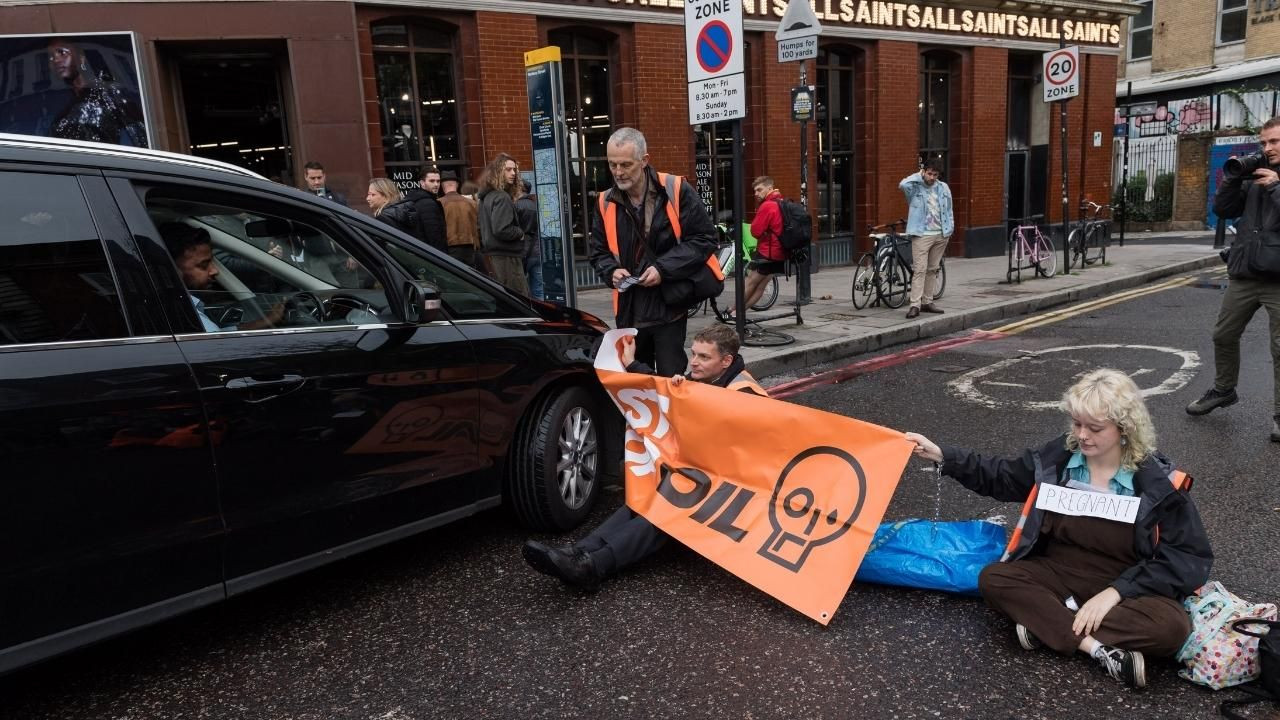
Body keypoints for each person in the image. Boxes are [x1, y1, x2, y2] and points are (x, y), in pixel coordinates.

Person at [904, 369, 1212, 689]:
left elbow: (1188, 557)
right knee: (994, 579)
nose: (1082, 436)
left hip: (1126, 584)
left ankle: (1045, 623)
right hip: (1057, 573)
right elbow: (1002, 476)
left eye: (1095, 428)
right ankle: (1095, 648)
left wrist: (1115, 592)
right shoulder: (1059, 459)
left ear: (1125, 429)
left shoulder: (1158, 484)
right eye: (1077, 423)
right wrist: (943, 455)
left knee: (1172, 628)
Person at [522, 324, 766, 589]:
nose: (693, 363)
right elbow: (660, 395)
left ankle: (594, 566)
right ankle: (580, 551)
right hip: (702, 475)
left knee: (667, 508)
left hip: (736, 488)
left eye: (703, 357)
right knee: (647, 497)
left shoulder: (747, 394)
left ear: (726, 361)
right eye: (693, 354)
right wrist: (635, 365)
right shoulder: (708, 379)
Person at [587, 127, 718, 376]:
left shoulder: (676, 189)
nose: (618, 172)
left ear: (644, 160)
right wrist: (611, 271)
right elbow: (598, 252)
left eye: (625, 164)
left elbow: (705, 239)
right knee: (636, 383)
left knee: (671, 382)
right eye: (612, 164)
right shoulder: (604, 201)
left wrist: (663, 268)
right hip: (630, 310)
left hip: (668, 307)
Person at [1186, 116, 1280, 442]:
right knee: (1223, 334)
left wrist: (1277, 186)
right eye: (1264, 142)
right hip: (1245, 273)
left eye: (1275, 142)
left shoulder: (1272, 180)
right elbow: (1223, 208)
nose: (1268, 148)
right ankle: (1224, 390)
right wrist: (1233, 180)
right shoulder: (1254, 175)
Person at [159, 222, 283, 332]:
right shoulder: (184, 316)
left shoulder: (177, 307)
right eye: (203, 265)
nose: (214, 271)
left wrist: (266, 321)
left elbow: (218, 335)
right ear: (170, 269)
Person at [46, 37, 147, 147]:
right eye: (50, 57)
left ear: (81, 58)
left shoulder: (107, 92)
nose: (55, 60)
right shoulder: (62, 109)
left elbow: (140, 134)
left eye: (62, 52)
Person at [899, 160, 953, 319]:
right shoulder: (914, 187)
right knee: (919, 270)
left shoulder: (943, 188)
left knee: (933, 269)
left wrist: (950, 229)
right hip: (922, 234)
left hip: (941, 234)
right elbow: (902, 184)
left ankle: (927, 302)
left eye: (935, 175)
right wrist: (919, 174)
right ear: (924, 172)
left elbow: (949, 210)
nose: (932, 177)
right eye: (929, 173)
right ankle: (914, 305)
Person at [478, 153, 530, 294]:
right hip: (507, 257)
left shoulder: (487, 196)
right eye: (508, 169)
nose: (513, 173)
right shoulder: (501, 197)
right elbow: (502, 229)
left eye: (514, 170)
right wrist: (520, 233)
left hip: (495, 255)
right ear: (498, 172)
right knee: (519, 299)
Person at [742, 176, 788, 317]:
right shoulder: (782, 202)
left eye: (759, 190)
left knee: (750, 282)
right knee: (760, 286)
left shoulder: (767, 206)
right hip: (781, 252)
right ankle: (739, 313)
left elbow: (755, 231)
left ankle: (734, 311)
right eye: (755, 190)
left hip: (767, 252)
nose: (756, 193)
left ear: (769, 188)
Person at [439, 171, 485, 271]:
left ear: (442, 186)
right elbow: (479, 227)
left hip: (449, 248)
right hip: (470, 247)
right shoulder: (472, 203)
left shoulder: (439, 203)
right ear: (457, 185)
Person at [404, 165, 447, 252]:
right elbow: (434, 235)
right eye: (432, 181)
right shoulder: (427, 203)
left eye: (438, 181)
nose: (436, 184)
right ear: (422, 183)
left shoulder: (417, 199)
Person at [515, 179, 544, 300]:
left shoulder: (516, 205)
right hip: (537, 251)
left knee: (521, 288)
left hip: (523, 251)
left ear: (519, 189)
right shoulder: (537, 205)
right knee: (538, 289)